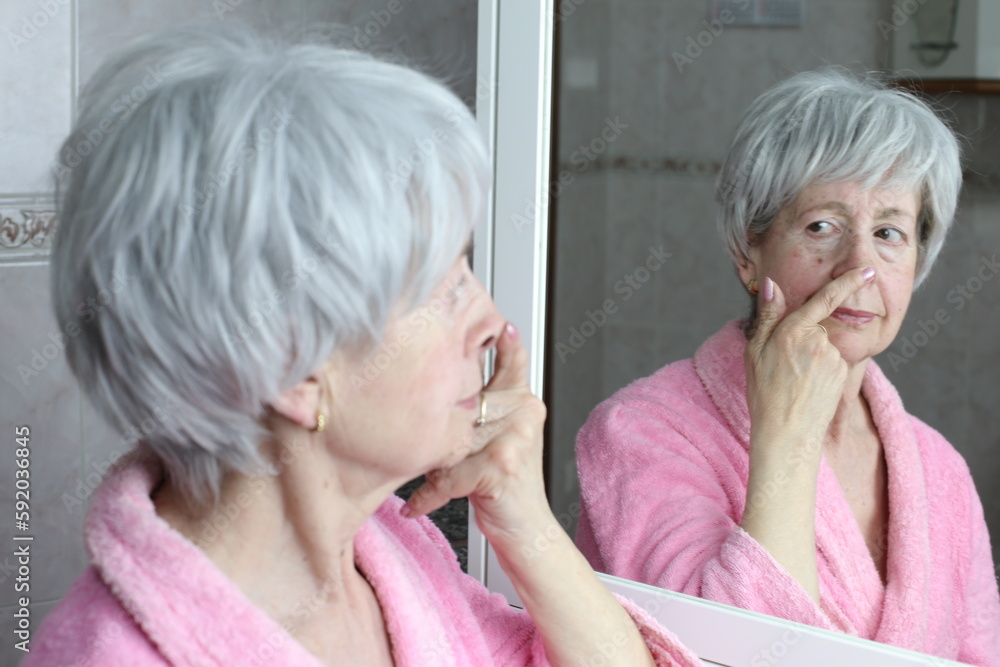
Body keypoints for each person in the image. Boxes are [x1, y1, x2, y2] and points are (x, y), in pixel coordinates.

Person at [26, 26, 701, 666]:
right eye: (443, 290)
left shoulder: (388, 555)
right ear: (289, 366)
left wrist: (523, 517)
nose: (492, 321)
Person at [575, 69, 1000, 665]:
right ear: (748, 252)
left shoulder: (940, 470)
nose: (858, 267)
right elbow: (717, 656)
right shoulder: (637, 433)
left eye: (889, 233)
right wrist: (789, 437)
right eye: (821, 226)